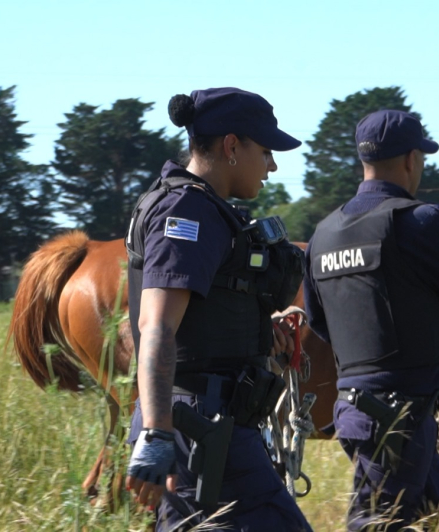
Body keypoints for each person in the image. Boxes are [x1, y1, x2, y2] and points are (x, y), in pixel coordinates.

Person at [303, 109, 439, 530]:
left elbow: (320, 323)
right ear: (412, 159)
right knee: (376, 523)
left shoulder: (322, 235)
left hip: (352, 413)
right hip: (401, 417)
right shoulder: (419, 222)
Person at [124, 87, 312, 532]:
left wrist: (256, 328)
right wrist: (156, 433)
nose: (272, 165)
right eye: (265, 151)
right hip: (198, 431)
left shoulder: (204, 209)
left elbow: (197, 318)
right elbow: (156, 327)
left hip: (208, 427)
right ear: (232, 146)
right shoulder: (187, 211)